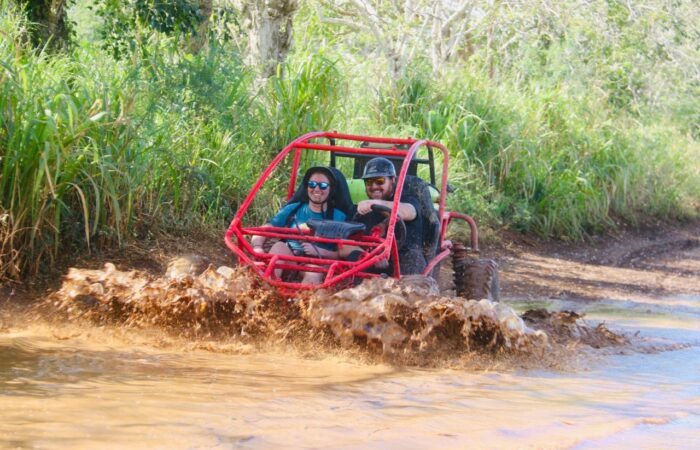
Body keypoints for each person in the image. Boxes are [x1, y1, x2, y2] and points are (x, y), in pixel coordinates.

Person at [250, 167, 347, 284]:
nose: (316, 188)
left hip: (319, 263)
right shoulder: (293, 208)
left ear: (331, 189)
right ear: (306, 187)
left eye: (323, 186)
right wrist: (257, 247)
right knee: (279, 247)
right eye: (312, 184)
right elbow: (264, 229)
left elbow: (344, 254)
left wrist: (320, 252)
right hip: (291, 258)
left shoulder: (340, 217)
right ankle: (264, 292)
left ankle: (302, 301)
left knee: (314, 272)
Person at [340, 157, 426, 275]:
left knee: (413, 257)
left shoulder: (408, 201)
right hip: (370, 262)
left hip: (404, 262)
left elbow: (409, 212)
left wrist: (375, 203)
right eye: (369, 182)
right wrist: (369, 256)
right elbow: (343, 245)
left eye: (380, 181)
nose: (374, 186)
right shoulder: (359, 211)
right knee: (351, 257)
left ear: (393, 180)